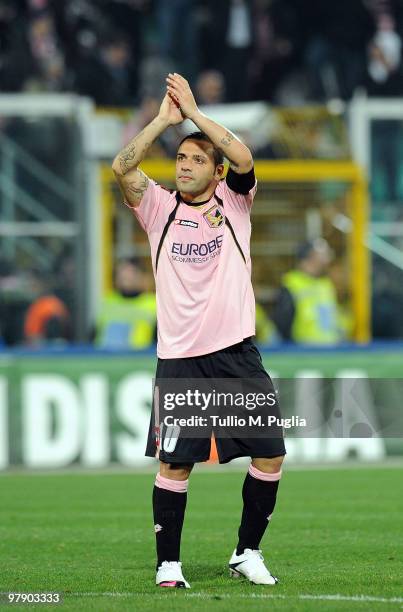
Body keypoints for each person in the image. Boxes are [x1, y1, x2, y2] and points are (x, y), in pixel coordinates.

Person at [112, 72, 285, 589]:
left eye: (196, 160)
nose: (184, 166)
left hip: (236, 353)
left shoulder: (234, 204)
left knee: (270, 451)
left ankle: (246, 552)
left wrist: (193, 113)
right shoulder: (158, 208)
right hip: (182, 358)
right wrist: (163, 121)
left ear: (216, 171)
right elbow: (122, 166)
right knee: (177, 464)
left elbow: (246, 157)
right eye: (181, 159)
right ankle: (169, 565)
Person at [272, 238, 341, 344]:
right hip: (304, 352)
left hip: (330, 349)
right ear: (310, 257)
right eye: (322, 255)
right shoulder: (291, 283)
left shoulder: (326, 284)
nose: (327, 259)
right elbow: (283, 322)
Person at [95, 257, 157, 349]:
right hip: (103, 358)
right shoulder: (108, 300)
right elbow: (95, 333)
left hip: (140, 359)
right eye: (122, 272)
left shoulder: (153, 303)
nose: (126, 277)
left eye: (131, 273)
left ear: (142, 276)